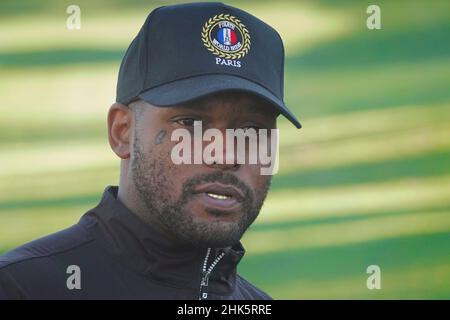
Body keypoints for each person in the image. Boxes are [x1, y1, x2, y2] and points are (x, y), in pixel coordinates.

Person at [0, 2, 301, 300]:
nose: (225, 155)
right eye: (191, 123)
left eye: (251, 130)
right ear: (122, 132)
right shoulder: (21, 288)